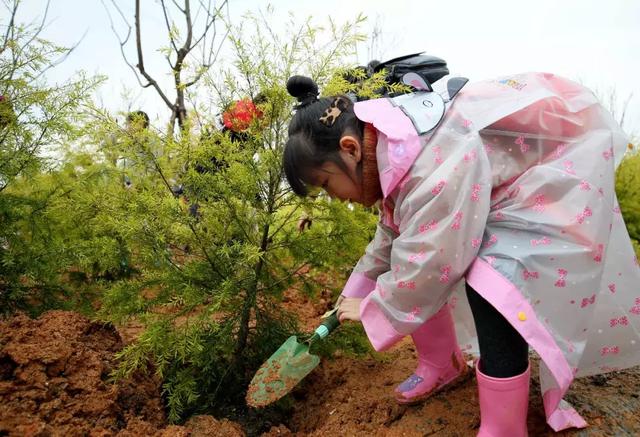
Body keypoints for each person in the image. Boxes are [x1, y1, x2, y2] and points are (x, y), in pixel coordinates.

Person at [282, 72, 640, 436]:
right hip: (493, 188)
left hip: (548, 181)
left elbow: (431, 261)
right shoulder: (393, 150)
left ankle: (504, 427)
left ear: (350, 149)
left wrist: (378, 306)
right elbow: (392, 239)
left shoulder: (430, 168)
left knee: (493, 286)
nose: (333, 197)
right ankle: (442, 364)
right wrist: (352, 294)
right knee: (412, 264)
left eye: (326, 184)